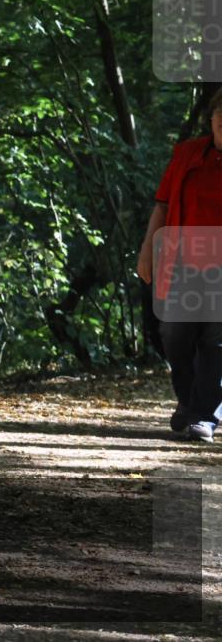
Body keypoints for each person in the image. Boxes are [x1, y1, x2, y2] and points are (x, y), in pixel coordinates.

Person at [137, 88, 222, 443]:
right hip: (182, 262)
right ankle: (189, 404)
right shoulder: (187, 154)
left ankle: (204, 415)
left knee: (216, 341)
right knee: (174, 335)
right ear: (212, 118)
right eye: (221, 114)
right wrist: (147, 249)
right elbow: (162, 206)